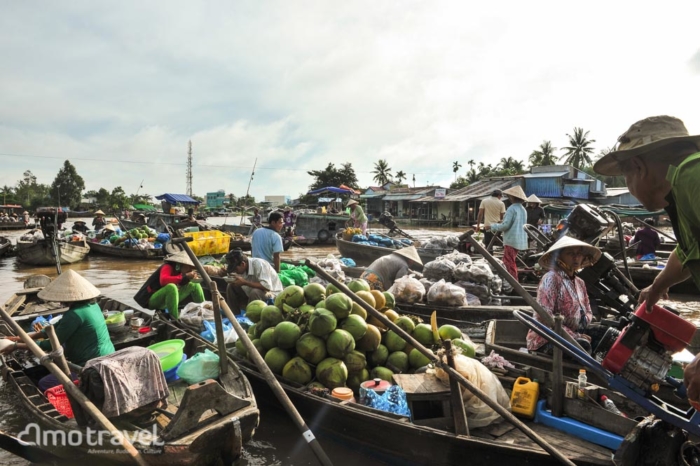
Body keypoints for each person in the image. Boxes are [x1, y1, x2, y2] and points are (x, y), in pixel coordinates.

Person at [592, 115, 700, 409]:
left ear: (637, 167)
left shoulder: (693, 175)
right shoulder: (682, 189)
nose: (629, 188)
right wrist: (657, 286)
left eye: (625, 178)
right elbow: (688, 250)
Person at [1, 270, 115, 391]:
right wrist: (22, 338)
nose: (60, 302)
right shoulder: (93, 305)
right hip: (108, 354)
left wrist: (16, 346)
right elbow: (53, 329)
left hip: (91, 365)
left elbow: (50, 344)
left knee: (44, 383)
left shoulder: (74, 315)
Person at [525, 236, 602, 354]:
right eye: (570, 254)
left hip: (574, 333)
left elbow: (588, 311)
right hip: (548, 337)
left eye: (579, 254)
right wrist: (574, 336)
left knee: (607, 334)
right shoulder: (551, 279)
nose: (576, 257)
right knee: (581, 346)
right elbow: (544, 317)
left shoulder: (579, 282)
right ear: (559, 257)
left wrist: (582, 322)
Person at [134, 251, 205, 319]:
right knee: (172, 287)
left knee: (194, 285)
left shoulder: (179, 271)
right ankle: (175, 319)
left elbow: (181, 282)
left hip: (167, 299)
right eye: (189, 267)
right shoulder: (167, 266)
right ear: (181, 264)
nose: (190, 270)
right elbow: (163, 281)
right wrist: (185, 276)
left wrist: (188, 279)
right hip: (151, 299)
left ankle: (203, 311)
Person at [485, 186, 528, 281]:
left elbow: (505, 226)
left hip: (511, 239)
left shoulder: (512, 208)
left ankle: (513, 283)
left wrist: (492, 226)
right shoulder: (523, 209)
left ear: (512, 197)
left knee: (508, 262)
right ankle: (512, 281)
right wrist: (501, 223)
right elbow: (512, 222)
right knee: (510, 260)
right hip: (519, 239)